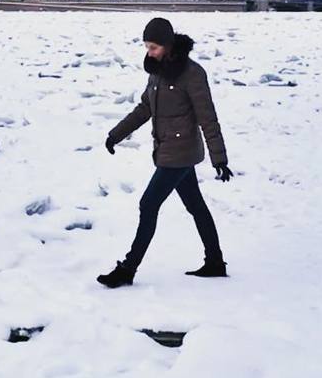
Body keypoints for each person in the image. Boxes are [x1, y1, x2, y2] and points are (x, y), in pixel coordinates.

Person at [97, 17, 233, 289]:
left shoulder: (192, 74)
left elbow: (207, 117)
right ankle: (215, 262)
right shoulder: (157, 72)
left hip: (179, 153)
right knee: (196, 206)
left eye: (154, 47)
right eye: (147, 47)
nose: (149, 53)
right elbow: (144, 108)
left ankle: (127, 269)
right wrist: (116, 134)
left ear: (168, 45)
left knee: (148, 205)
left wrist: (219, 158)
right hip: (167, 150)